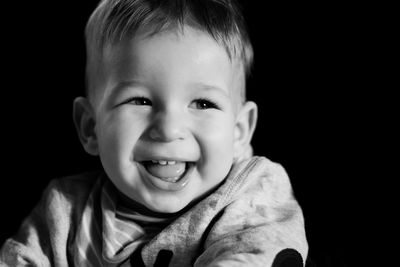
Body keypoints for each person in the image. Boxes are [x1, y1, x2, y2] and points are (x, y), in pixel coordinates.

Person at [0, 0, 308, 266]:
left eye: (202, 103)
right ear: (90, 127)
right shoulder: (65, 212)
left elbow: (257, 253)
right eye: (140, 100)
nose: (169, 129)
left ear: (239, 131)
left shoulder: (253, 193)